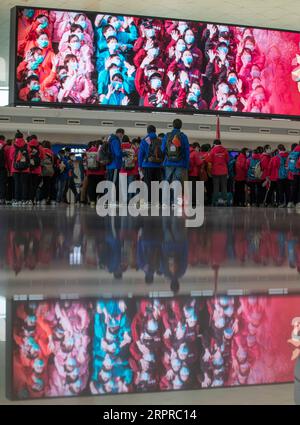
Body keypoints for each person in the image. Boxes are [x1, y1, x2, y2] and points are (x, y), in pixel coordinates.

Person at [161, 119, 190, 208]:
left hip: (168, 163)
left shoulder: (167, 135)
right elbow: (186, 151)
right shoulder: (183, 136)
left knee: (167, 181)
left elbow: (162, 149)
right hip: (180, 163)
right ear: (181, 126)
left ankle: (165, 202)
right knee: (177, 183)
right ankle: (175, 202)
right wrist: (186, 164)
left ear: (172, 125)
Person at [138, 125, 163, 206]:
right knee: (157, 183)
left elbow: (140, 154)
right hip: (158, 165)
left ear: (147, 131)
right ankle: (157, 201)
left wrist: (140, 165)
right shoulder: (159, 140)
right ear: (155, 131)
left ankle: (148, 201)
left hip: (147, 164)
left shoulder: (144, 140)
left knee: (148, 183)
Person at [10, 131, 31, 206]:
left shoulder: (13, 146)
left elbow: (11, 157)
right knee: (24, 184)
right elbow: (29, 156)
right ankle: (24, 200)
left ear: (15, 137)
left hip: (15, 168)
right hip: (25, 168)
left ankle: (17, 200)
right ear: (22, 137)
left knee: (17, 184)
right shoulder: (27, 145)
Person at [105, 129, 124, 206]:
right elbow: (118, 153)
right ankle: (111, 200)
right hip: (115, 165)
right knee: (114, 183)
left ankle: (107, 200)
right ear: (120, 133)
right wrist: (124, 153)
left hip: (109, 165)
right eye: (121, 135)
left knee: (109, 182)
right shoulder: (115, 141)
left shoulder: (110, 139)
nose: (121, 137)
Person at [208, 140, 229, 206]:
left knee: (216, 187)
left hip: (215, 171)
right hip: (224, 171)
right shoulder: (225, 150)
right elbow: (227, 160)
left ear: (214, 144)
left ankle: (215, 201)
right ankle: (225, 201)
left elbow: (209, 160)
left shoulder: (213, 150)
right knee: (224, 187)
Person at [119, 135, 138, 205]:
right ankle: (130, 200)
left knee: (123, 186)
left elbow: (118, 156)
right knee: (130, 185)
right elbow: (136, 158)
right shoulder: (133, 147)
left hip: (122, 169)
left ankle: (124, 201)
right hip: (132, 169)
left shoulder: (120, 147)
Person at [86, 141, 105, 207]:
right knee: (100, 187)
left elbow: (86, 161)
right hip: (100, 173)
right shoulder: (102, 151)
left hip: (90, 173)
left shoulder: (90, 150)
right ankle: (100, 200)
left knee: (91, 187)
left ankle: (92, 201)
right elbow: (103, 161)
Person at [28, 135, 44, 205]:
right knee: (35, 185)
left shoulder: (27, 145)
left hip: (28, 169)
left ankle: (28, 199)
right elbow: (42, 157)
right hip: (37, 169)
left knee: (28, 185)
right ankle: (33, 199)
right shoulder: (40, 147)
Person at [189, 142, 204, 207]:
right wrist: (202, 160)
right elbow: (199, 163)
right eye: (198, 148)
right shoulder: (195, 153)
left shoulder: (188, 152)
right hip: (194, 173)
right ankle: (194, 201)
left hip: (188, 172)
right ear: (196, 147)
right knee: (194, 188)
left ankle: (190, 200)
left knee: (190, 188)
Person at [288, 142, 300, 209]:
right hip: (299, 171)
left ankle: (290, 202)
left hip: (294, 172)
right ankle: (298, 203)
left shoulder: (294, 151)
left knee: (294, 188)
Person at [0, 135, 9, 205]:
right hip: (3, 167)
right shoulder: (6, 146)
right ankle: (2, 198)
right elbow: (8, 158)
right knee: (3, 184)